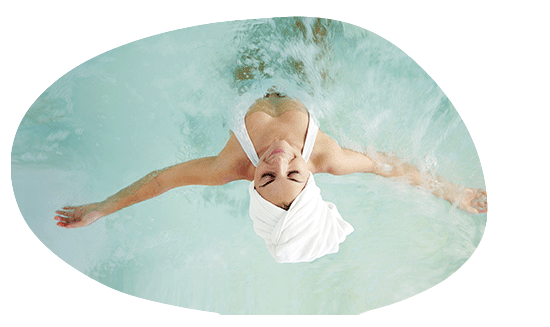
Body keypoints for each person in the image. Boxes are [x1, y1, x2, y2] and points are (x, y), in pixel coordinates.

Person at [54, 91, 487, 262]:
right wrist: (453, 192)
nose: (278, 159)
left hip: (249, 77)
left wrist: (102, 208)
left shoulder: (232, 164)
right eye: (294, 173)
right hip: (304, 72)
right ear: (310, 176)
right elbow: (388, 165)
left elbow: (161, 180)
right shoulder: (327, 155)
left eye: (266, 178)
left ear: (252, 185)